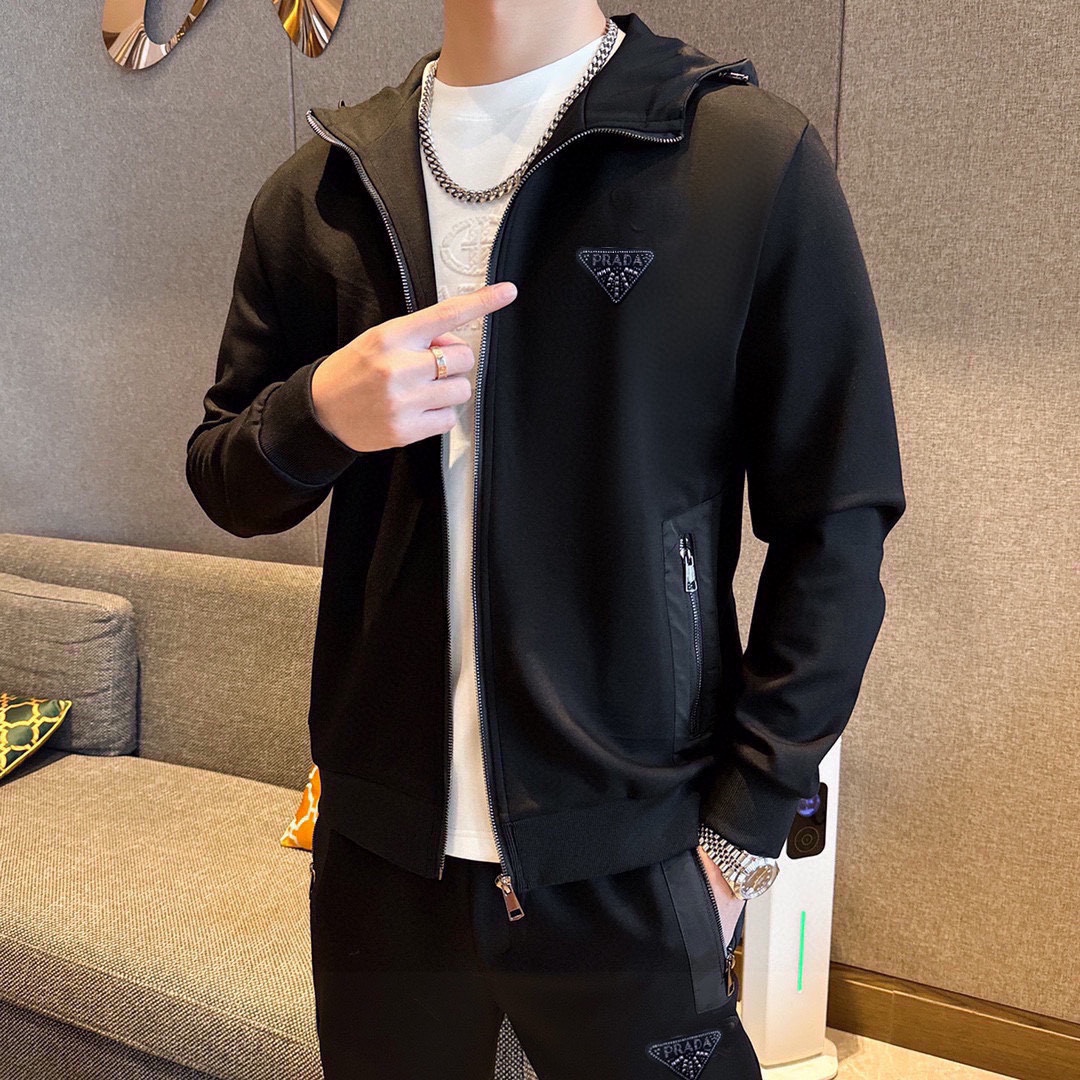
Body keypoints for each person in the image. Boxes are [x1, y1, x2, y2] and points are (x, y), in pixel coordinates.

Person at [186, 3, 906, 1076]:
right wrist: (320, 411)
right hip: (380, 865)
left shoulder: (740, 159)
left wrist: (742, 837)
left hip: (636, 857)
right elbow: (226, 479)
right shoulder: (323, 191)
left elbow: (837, 522)